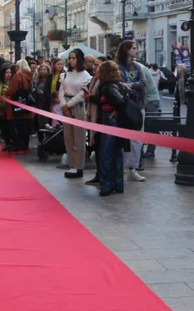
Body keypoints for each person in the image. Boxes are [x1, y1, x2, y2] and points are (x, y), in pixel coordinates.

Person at [85, 60, 128, 197]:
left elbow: (119, 101)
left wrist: (115, 110)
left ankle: (107, 184)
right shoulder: (115, 85)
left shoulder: (108, 87)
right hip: (115, 122)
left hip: (110, 121)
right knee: (116, 153)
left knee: (106, 154)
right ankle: (117, 184)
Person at [115, 41, 147, 182]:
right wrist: (131, 86)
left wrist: (129, 85)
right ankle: (120, 167)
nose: (136, 50)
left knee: (137, 140)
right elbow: (117, 85)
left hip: (137, 106)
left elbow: (143, 84)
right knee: (122, 139)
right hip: (123, 107)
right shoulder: (116, 66)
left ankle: (133, 168)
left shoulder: (138, 67)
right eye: (133, 48)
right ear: (126, 50)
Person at [59, 48, 91, 179]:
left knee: (79, 138)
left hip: (77, 106)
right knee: (68, 137)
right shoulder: (65, 74)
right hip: (66, 106)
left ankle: (79, 166)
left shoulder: (86, 76)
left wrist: (69, 104)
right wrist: (63, 106)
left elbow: (83, 94)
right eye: (70, 58)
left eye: (74, 58)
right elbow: (61, 90)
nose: (71, 61)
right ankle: (72, 165)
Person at [2, 63, 33, 153]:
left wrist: (5, 91)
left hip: (17, 106)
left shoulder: (17, 76)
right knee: (25, 129)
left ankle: (18, 147)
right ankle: (25, 147)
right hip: (27, 105)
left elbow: (12, 90)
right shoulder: (29, 76)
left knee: (17, 128)